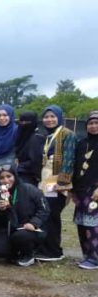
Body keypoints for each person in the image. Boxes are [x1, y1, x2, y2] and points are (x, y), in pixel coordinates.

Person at [35, 105, 78, 262]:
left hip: (57, 181)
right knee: (46, 213)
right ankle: (44, 248)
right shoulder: (48, 135)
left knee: (52, 214)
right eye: (46, 117)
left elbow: (69, 159)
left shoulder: (67, 134)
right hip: (46, 180)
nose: (49, 120)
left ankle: (53, 251)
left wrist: (63, 182)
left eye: (52, 116)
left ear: (59, 117)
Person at [0, 166, 49, 267]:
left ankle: (29, 254)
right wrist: (1, 210)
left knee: (21, 236)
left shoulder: (30, 189)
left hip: (29, 229)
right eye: (2, 178)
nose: (6, 180)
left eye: (9, 176)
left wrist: (34, 223)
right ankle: (15, 254)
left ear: (15, 176)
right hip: (10, 230)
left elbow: (44, 209)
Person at [71, 111, 98, 269]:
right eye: (91, 123)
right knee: (82, 223)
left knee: (93, 225)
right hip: (81, 190)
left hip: (94, 190)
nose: (93, 126)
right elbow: (76, 167)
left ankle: (95, 258)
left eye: (96, 123)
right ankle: (87, 255)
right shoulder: (82, 143)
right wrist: (73, 190)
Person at [13, 111, 43, 186]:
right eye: (22, 122)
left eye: (27, 122)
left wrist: (20, 165)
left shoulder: (37, 137)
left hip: (30, 177)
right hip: (21, 173)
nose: (24, 124)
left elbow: (35, 161)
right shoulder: (22, 136)